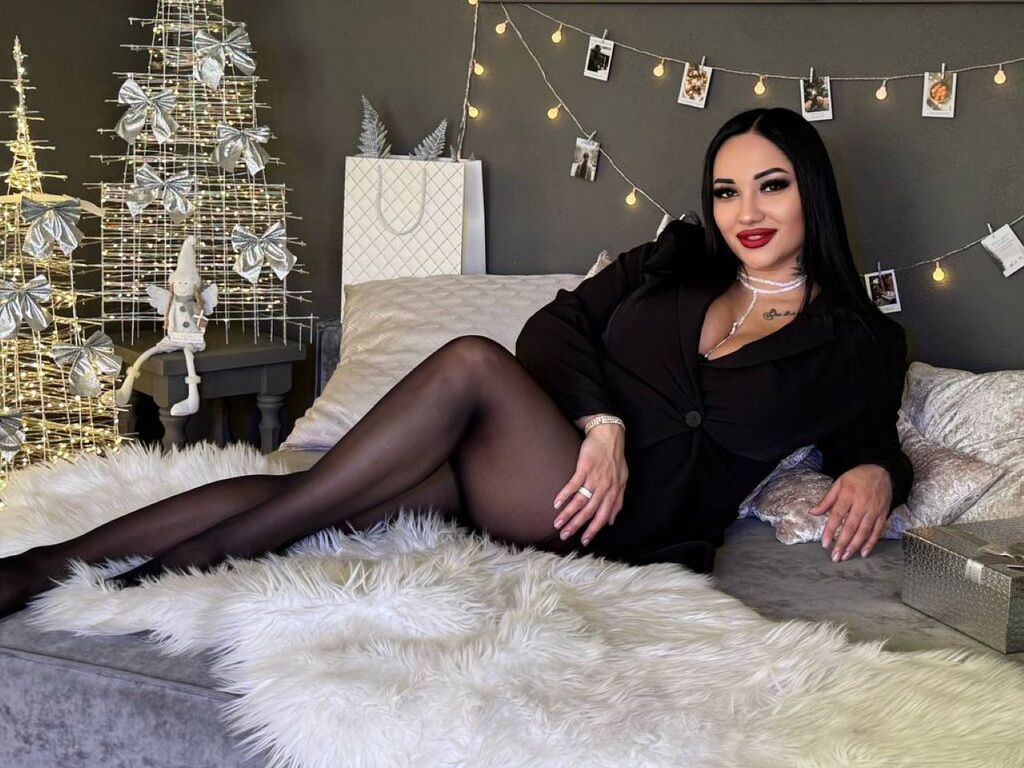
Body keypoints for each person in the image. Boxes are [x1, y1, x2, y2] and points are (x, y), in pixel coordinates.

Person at [0, 107, 912, 618]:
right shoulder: (671, 261)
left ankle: (204, 557)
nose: (746, 211)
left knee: (470, 362)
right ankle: (40, 566)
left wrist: (878, 472)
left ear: (809, 190)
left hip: (623, 521)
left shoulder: (855, 342)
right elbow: (553, 331)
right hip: (536, 463)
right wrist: (601, 425)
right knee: (317, 494)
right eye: (726, 190)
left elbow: (875, 441)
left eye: (771, 185)